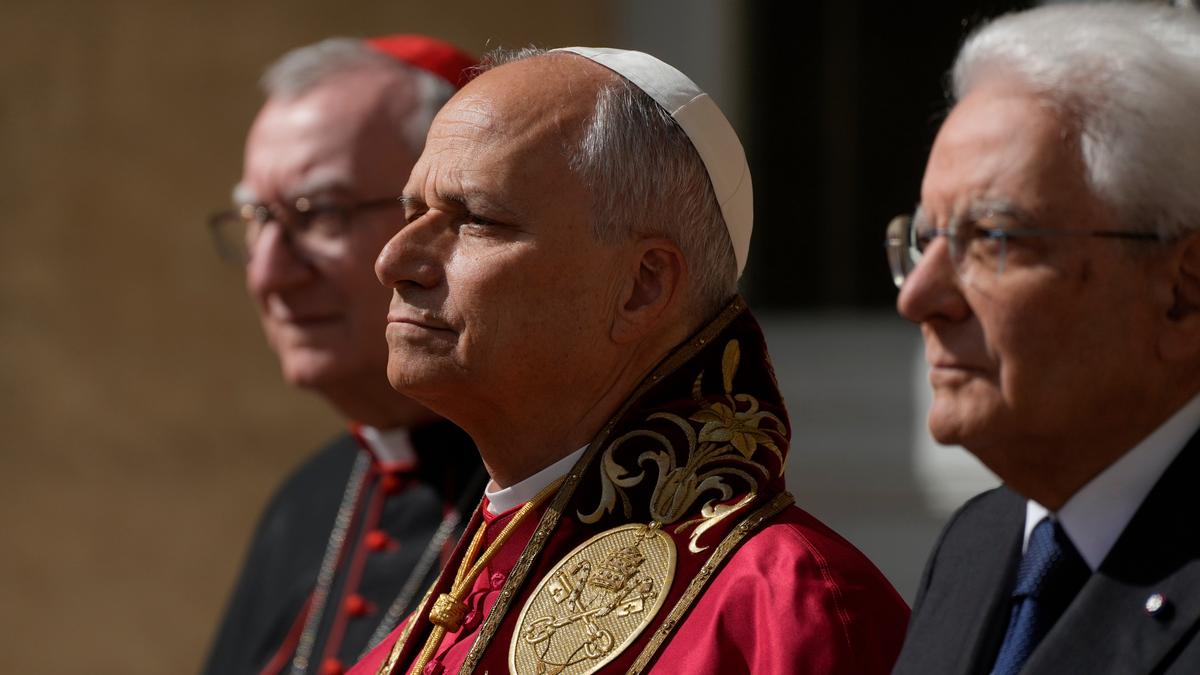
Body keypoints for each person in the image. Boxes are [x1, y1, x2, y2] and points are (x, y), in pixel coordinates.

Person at [348, 47, 909, 675]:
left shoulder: (788, 612)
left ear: (642, 286)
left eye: (475, 219)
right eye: (412, 212)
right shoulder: (425, 633)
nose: (393, 261)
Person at [886, 4, 1200, 674]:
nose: (918, 298)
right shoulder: (977, 546)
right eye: (923, 240)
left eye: (991, 238)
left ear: (1182, 290)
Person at [202, 35, 486, 675]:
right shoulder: (306, 502)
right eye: (256, 217)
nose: (268, 275)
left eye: (320, 213)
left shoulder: (570, 485)